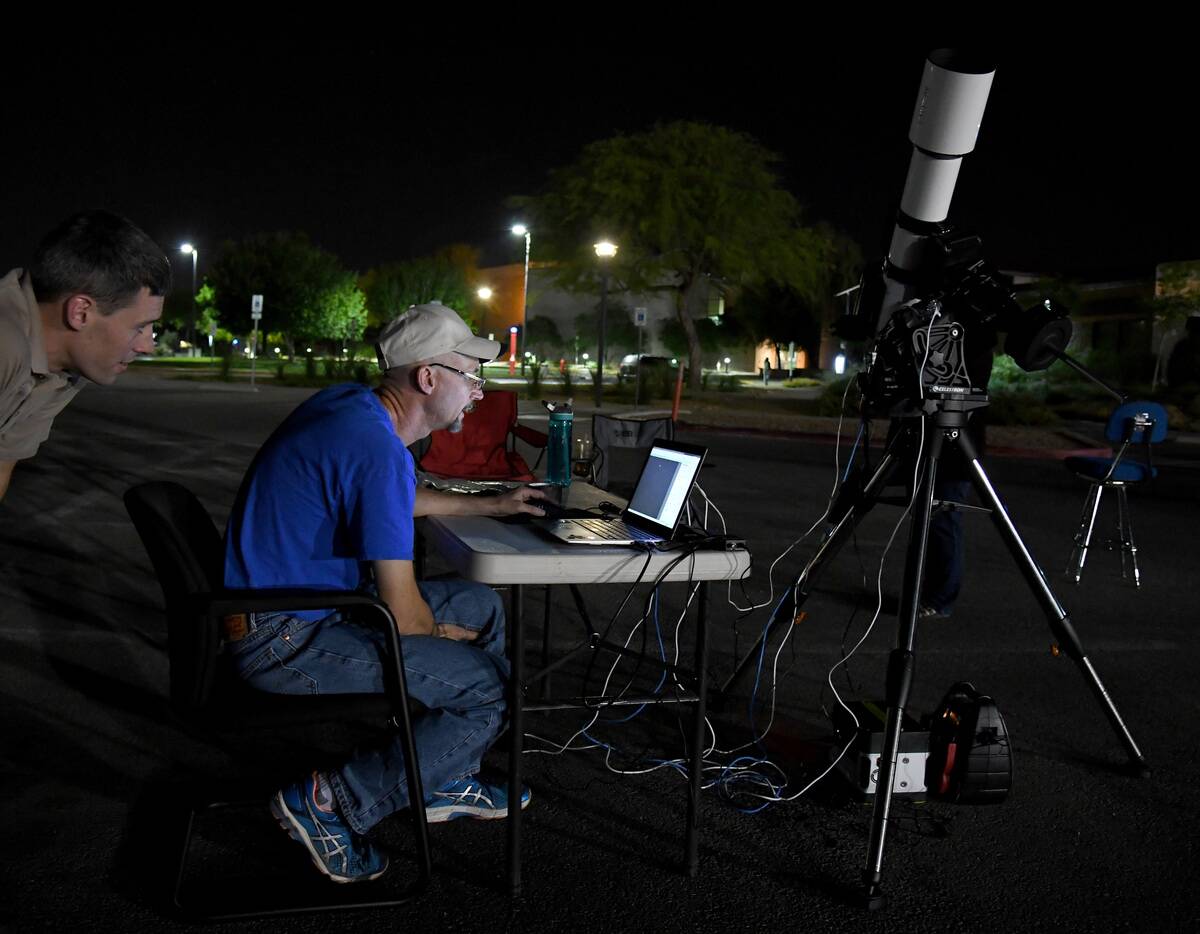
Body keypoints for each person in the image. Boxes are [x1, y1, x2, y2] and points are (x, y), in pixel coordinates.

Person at [223, 302, 549, 883]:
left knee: (483, 604)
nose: (478, 392)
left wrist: (491, 504)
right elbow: (404, 615)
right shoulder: (377, 451)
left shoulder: (353, 410)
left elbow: (387, 498)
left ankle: (440, 774)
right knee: (487, 689)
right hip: (284, 638)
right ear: (428, 378)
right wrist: (442, 639)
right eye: (471, 375)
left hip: (286, 612)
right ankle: (329, 802)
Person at [0, 211, 169, 501]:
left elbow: (2, 464)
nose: (147, 346)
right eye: (139, 327)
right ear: (81, 312)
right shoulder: (5, 344)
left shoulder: (60, 372)